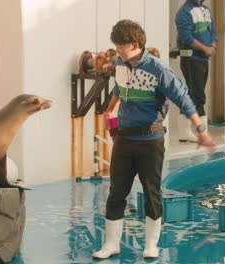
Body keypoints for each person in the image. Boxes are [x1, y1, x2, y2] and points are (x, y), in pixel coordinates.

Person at [92, 19, 215, 260]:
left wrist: (200, 129)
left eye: (120, 47)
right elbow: (119, 88)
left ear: (135, 44)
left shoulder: (160, 70)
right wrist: (110, 110)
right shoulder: (121, 63)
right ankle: (111, 244)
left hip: (150, 140)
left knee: (151, 192)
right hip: (124, 139)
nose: (117, 51)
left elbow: (184, 99)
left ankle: (151, 245)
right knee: (116, 192)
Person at [175, 0, 218, 142]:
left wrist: (212, 45)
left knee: (197, 95)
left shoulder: (206, 10)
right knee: (196, 95)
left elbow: (212, 31)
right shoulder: (184, 12)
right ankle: (197, 132)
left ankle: (195, 132)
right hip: (191, 59)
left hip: (203, 59)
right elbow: (186, 38)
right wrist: (205, 48)